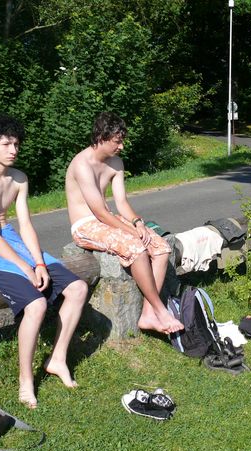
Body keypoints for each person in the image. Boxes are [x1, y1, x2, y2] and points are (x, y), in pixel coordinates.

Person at [0, 116, 88, 409]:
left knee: (78, 288)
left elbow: (25, 225)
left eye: (16, 144)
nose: (13, 150)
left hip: (13, 242)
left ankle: (57, 359)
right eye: (6, 144)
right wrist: (25, 268)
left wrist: (39, 263)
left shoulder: (18, 178)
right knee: (36, 304)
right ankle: (26, 380)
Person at [65, 111, 184, 336]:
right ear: (101, 138)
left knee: (160, 248)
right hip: (85, 225)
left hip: (108, 220)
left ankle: (148, 314)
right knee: (135, 247)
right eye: (117, 141)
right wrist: (131, 232)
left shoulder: (116, 163)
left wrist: (137, 223)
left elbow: (121, 203)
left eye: (122, 141)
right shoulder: (82, 164)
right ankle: (161, 310)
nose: (121, 146)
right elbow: (99, 212)